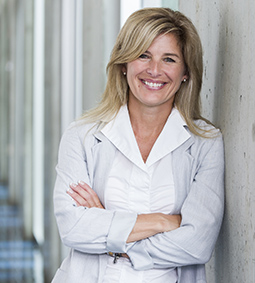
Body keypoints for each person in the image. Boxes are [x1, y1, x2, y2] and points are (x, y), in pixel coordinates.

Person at [52, 7, 224, 283]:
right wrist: (163, 221)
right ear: (124, 64)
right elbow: (73, 228)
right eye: (143, 55)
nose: (154, 70)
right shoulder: (82, 135)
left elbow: (198, 243)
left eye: (169, 59)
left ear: (186, 73)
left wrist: (109, 229)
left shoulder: (205, 142)